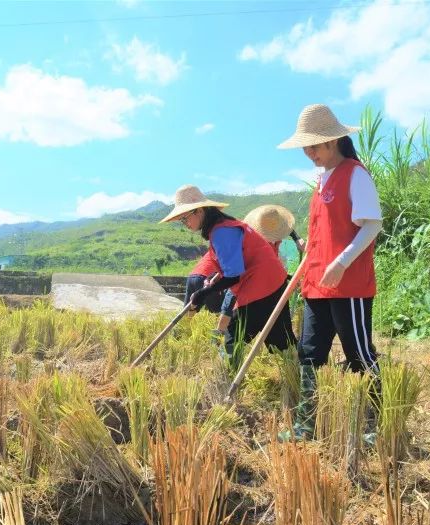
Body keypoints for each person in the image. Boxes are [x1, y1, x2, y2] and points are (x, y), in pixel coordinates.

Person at [278, 103, 383, 440]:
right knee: (309, 353)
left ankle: (375, 424)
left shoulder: (356, 174)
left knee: (359, 353)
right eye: (305, 147)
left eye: (313, 145)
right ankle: (307, 424)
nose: (309, 153)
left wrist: (341, 262)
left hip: (347, 284)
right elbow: (331, 228)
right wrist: (313, 245)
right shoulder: (322, 180)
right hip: (316, 284)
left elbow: (371, 226)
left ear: (332, 141)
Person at [161, 185, 296, 353]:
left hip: (259, 286)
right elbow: (236, 261)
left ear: (199, 211)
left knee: (233, 340)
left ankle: (227, 377)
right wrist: (219, 276)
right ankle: (300, 370)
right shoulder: (225, 226)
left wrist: (202, 293)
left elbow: (234, 276)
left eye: (184, 218)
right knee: (281, 342)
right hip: (274, 281)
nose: (185, 224)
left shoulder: (221, 232)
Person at [213, 205, 304, 349]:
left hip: (271, 285)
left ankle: (288, 355)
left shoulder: (275, 239)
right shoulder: (251, 239)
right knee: (232, 319)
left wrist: (297, 239)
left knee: (278, 332)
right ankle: (219, 339)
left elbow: (272, 267)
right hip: (247, 283)